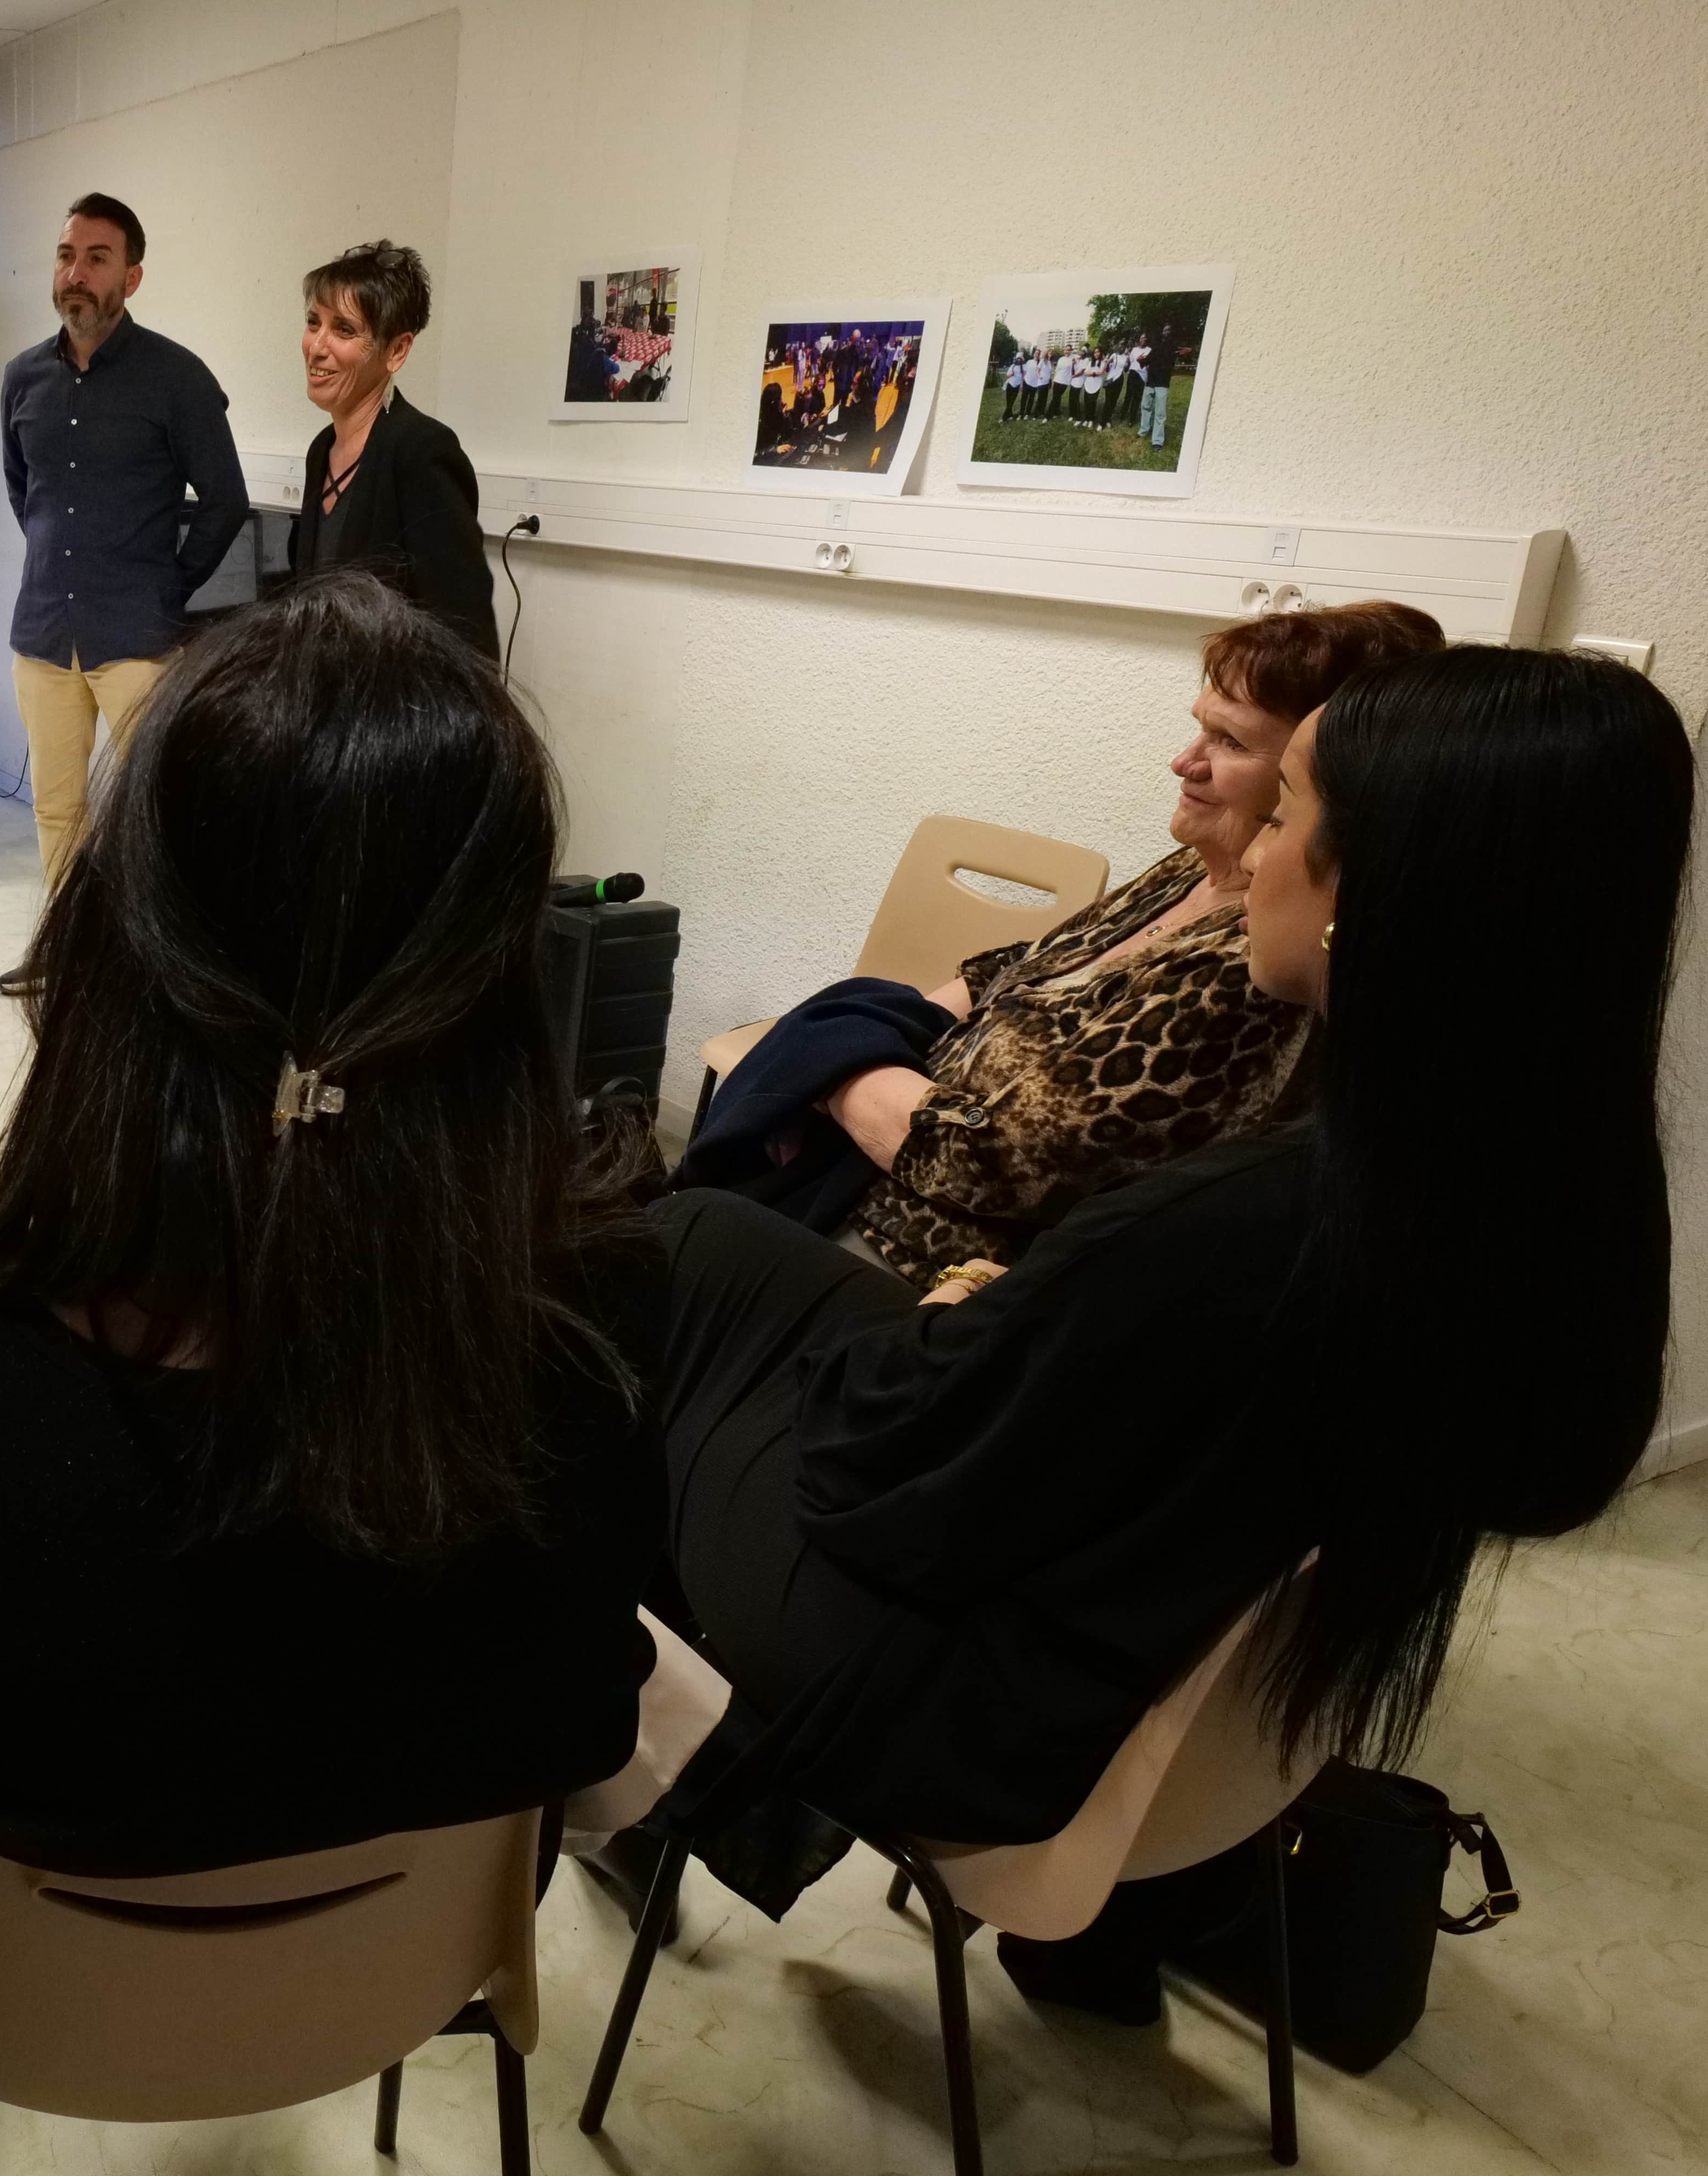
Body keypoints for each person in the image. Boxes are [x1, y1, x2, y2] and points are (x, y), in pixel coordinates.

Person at [638, 644, 1692, 1995]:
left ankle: (690, 1770)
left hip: (967, 1705)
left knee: (650, 1308)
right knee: (706, 1239)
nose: (1249, 860)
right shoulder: (1551, 1211)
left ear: (1377, 888)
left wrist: (969, 1317)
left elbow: (875, 1474)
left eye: (1291, 809)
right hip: (1180, 1687)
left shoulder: (1226, 1232)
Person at [0, 571, 664, 1876]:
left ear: (102, 956)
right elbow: (581, 1725)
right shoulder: (606, 1327)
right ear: (499, 986)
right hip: (404, 1988)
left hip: (11, 1997)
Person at [680, 599, 1447, 1285]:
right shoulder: (1192, 869)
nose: (1185, 761)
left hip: (927, 1260)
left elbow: (994, 1163)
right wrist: (877, 1034)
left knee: (673, 1253)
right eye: (1199, 726)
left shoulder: (1259, 964)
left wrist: (832, 1060)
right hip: (867, 1169)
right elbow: (1021, 968)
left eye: (1231, 741)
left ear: (1320, 782)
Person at [0, 191, 251, 967]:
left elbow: (226, 502)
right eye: (67, 256)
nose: (77, 273)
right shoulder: (22, 379)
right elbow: (25, 494)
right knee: (57, 811)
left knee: (153, 813)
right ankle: (69, 958)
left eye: (97, 259)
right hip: (44, 633)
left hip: (138, 639)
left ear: (131, 278)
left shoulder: (176, 378)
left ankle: (155, 967)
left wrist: (166, 590)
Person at [287, 240, 496, 658]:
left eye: (344, 329)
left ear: (397, 351)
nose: (317, 346)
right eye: (314, 323)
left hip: (392, 716)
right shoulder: (321, 450)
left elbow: (466, 637)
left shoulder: (421, 450)